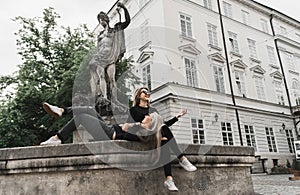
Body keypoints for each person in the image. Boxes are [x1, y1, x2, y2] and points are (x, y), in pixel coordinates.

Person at [127, 86, 197, 191]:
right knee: (163, 135)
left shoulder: (153, 110)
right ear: (138, 95)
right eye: (144, 92)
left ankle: (169, 179)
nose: (147, 93)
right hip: (145, 136)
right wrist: (142, 125)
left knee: (165, 142)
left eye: (148, 92)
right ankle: (182, 158)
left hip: (157, 135)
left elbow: (163, 124)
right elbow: (129, 126)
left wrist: (176, 117)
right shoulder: (134, 110)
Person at [89, 2, 130, 102]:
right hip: (100, 57)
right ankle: (105, 98)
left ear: (106, 19)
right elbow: (98, 48)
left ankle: (114, 100)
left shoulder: (115, 30)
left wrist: (124, 8)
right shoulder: (100, 35)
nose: (101, 21)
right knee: (101, 77)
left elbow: (127, 22)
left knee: (111, 78)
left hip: (110, 56)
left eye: (102, 19)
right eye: (99, 20)